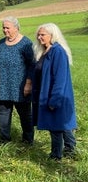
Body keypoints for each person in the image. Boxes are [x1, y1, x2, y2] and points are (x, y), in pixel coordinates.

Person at [32, 23, 77, 161]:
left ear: (52, 35)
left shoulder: (57, 52)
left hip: (55, 95)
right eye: (38, 35)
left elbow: (60, 79)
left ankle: (55, 156)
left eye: (42, 35)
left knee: (56, 126)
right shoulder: (45, 51)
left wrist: (54, 100)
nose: (39, 37)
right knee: (61, 123)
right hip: (45, 93)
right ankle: (70, 148)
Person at [0, 16, 35, 144]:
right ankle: (4, 140)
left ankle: (28, 140)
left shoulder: (26, 43)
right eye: (3, 28)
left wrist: (28, 84)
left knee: (25, 115)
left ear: (16, 28)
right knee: (3, 115)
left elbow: (32, 65)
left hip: (21, 87)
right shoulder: (1, 43)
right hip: (3, 85)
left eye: (7, 28)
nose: (5, 30)